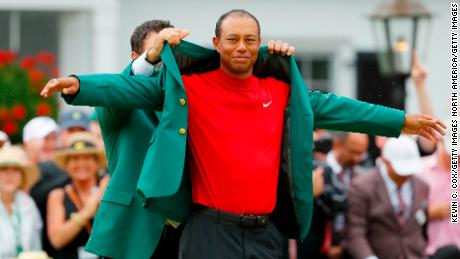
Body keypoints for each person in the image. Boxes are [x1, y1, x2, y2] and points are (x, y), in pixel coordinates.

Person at [41, 9, 446, 259]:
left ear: (256, 45)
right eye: (232, 39)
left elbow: (335, 107)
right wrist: (76, 83)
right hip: (185, 229)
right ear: (216, 43)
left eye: (249, 40)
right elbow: (122, 88)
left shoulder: (281, 89)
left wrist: (400, 121)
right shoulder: (183, 89)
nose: (241, 46)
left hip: (262, 231)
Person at [346, 136, 429, 259]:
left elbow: (421, 225)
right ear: (385, 161)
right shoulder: (362, 186)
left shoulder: (422, 186)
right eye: (400, 171)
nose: (405, 175)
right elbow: (355, 232)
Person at [47, 132, 109, 259]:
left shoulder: (107, 190)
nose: (81, 163)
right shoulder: (58, 196)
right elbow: (57, 241)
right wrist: (88, 210)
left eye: (87, 158)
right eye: (75, 158)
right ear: (67, 164)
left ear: (96, 162)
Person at [0, 146, 42, 258]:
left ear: (22, 176)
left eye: (15, 170)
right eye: (4, 170)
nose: (10, 175)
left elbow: (35, 245)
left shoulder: (28, 203)